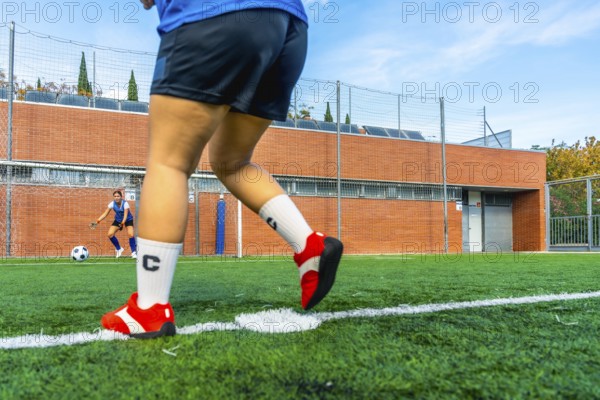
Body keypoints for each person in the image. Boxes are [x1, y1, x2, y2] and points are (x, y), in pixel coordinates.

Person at [101, 0, 343, 338]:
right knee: (232, 161)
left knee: (168, 162)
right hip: (287, 27)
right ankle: (309, 245)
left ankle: (149, 308)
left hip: (213, 16)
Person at [92, 190, 137, 259]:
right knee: (110, 234)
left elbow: (125, 215)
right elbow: (105, 214)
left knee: (130, 234)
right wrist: (97, 221)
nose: (116, 198)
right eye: (115, 196)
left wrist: (122, 224)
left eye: (118, 196)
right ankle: (119, 249)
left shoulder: (125, 204)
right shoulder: (112, 204)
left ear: (121, 197)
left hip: (128, 220)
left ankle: (133, 252)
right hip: (118, 220)